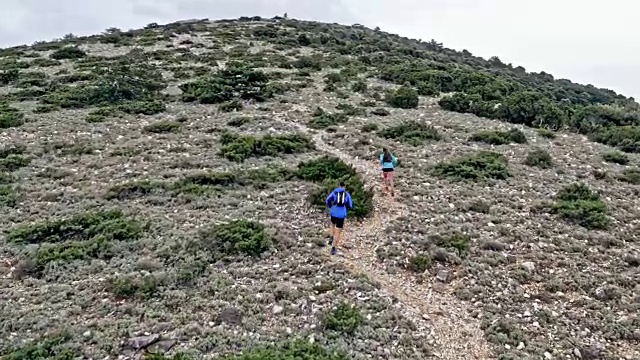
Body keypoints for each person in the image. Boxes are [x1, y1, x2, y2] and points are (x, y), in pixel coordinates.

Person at [325, 181, 353, 255]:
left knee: (332, 224)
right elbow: (350, 205)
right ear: (344, 187)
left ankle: (331, 237)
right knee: (338, 231)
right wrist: (345, 207)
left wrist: (330, 206)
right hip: (341, 214)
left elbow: (327, 200)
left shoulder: (334, 193)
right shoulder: (347, 194)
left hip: (333, 212)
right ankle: (333, 248)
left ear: (338, 185)